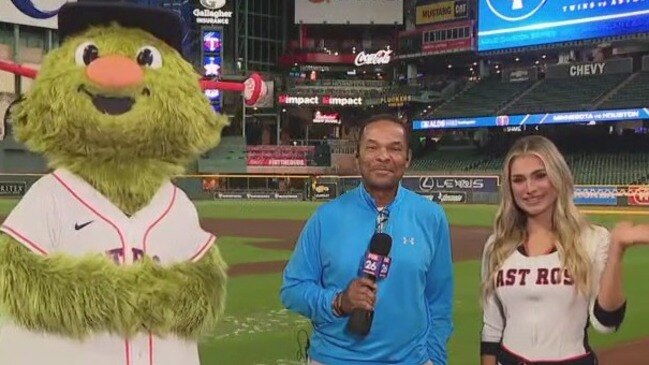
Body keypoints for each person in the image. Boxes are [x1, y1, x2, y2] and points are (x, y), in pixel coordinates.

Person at [280, 114, 454, 365]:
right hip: (333, 359)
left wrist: (434, 358)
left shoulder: (431, 217)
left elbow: (440, 301)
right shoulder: (326, 218)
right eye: (372, 147)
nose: (383, 156)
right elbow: (292, 290)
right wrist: (338, 302)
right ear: (358, 157)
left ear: (408, 158)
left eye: (394, 148)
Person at [480, 135, 649, 365]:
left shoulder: (592, 239)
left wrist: (617, 249)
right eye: (518, 180)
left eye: (540, 176)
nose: (529, 188)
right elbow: (492, 329)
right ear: (509, 187)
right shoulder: (497, 246)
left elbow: (606, 321)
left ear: (558, 176)